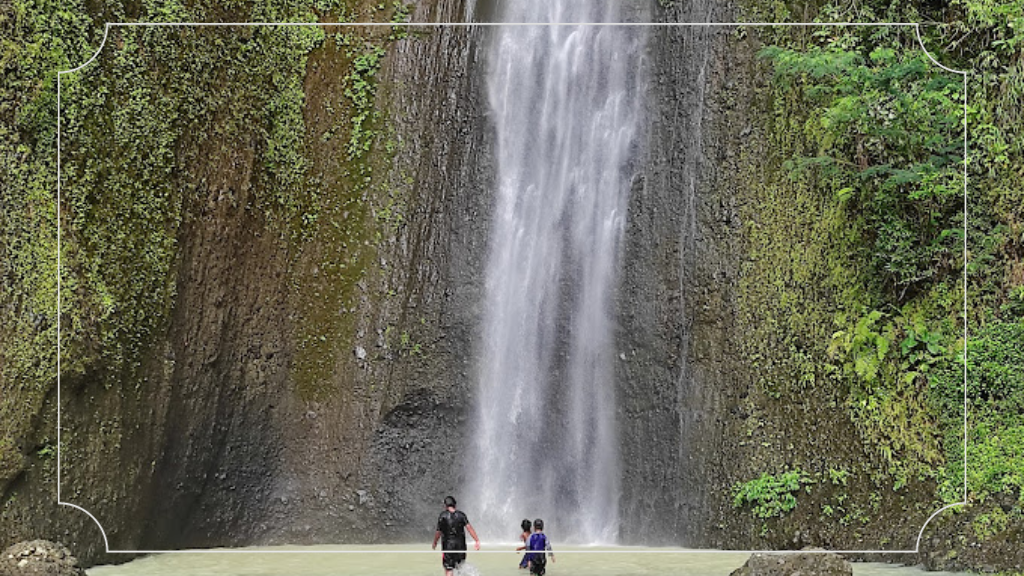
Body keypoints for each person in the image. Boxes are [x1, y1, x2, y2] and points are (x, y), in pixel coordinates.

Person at [431, 495, 480, 575]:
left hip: (448, 547)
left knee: (449, 569)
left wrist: (435, 542)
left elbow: (438, 532)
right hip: (461, 546)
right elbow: (469, 528)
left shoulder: (443, 516)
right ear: (455, 505)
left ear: (445, 506)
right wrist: (477, 540)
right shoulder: (461, 515)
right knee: (460, 567)